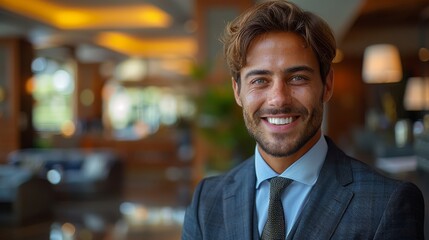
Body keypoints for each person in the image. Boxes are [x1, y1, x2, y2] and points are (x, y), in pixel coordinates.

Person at [182, 0, 425, 239]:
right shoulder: (207, 200)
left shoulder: (386, 204)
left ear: (327, 85)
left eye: (297, 78)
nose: (278, 100)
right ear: (237, 91)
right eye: (260, 80)